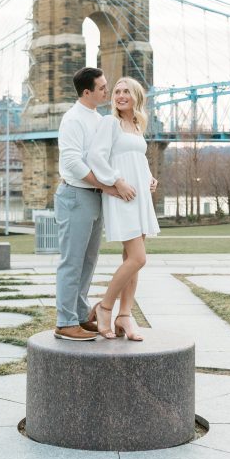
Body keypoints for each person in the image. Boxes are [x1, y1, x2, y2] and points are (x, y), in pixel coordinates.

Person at [53, 67, 131, 341]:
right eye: (102, 88)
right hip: (76, 195)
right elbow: (73, 163)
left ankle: (79, 314)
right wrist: (106, 186)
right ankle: (65, 322)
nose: (107, 91)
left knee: (88, 261)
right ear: (87, 92)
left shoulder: (98, 118)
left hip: (94, 196)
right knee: (71, 261)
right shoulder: (73, 119)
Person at [86, 76, 160, 341]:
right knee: (139, 258)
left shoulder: (136, 125)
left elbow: (136, 157)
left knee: (131, 261)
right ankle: (105, 307)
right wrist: (117, 181)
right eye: (116, 91)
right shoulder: (110, 123)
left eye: (126, 91)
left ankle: (125, 316)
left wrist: (149, 177)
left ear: (136, 96)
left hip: (139, 197)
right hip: (123, 195)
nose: (120, 95)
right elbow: (96, 156)